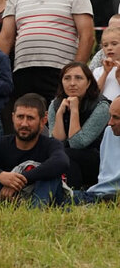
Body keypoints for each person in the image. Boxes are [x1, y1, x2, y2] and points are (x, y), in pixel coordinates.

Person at [0, 0, 94, 105]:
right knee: (25, 123)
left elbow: (87, 36)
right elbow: (6, 37)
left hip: (59, 73)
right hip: (23, 71)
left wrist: (74, 74)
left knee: (57, 124)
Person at [0, 94, 69, 207]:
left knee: (51, 173)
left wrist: (19, 181)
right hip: (5, 197)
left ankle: (37, 213)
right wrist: (1, 175)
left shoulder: (51, 144)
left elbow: (62, 162)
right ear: (13, 117)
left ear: (43, 121)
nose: (24, 124)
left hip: (39, 194)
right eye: (20, 117)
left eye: (30, 118)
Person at [49, 62, 110, 190]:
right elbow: (56, 142)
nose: (72, 83)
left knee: (68, 153)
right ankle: (68, 193)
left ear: (88, 83)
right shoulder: (56, 104)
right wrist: (60, 114)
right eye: (67, 78)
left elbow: (78, 143)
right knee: (60, 153)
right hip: (68, 157)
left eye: (79, 78)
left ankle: (74, 193)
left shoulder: (101, 106)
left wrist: (74, 110)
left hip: (99, 160)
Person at [74, 97, 120, 203]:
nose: (110, 122)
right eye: (110, 116)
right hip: (96, 193)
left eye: (116, 117)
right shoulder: (109, 132)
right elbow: (104, 174)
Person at [94, 27, 120, 101]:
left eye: (114, 44)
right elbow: (95, 94)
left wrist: (118, 78)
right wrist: (105, 73)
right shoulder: (98, 71)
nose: (109, 48)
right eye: (105, 45)